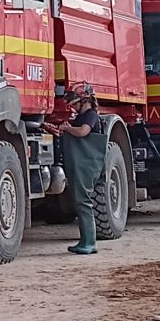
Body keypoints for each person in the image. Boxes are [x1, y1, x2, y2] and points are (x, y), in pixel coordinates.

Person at [48, 84, 105, 255]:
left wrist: (67, 128)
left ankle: (89, 242)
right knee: (80, 201)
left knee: (84, 202)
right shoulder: (83, 116)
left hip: (86, 164)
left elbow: (83, 132)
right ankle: (84, 240)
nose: (72, 107)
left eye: (74, 104)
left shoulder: (91, 115)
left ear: (84, 101)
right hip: (81, 164)